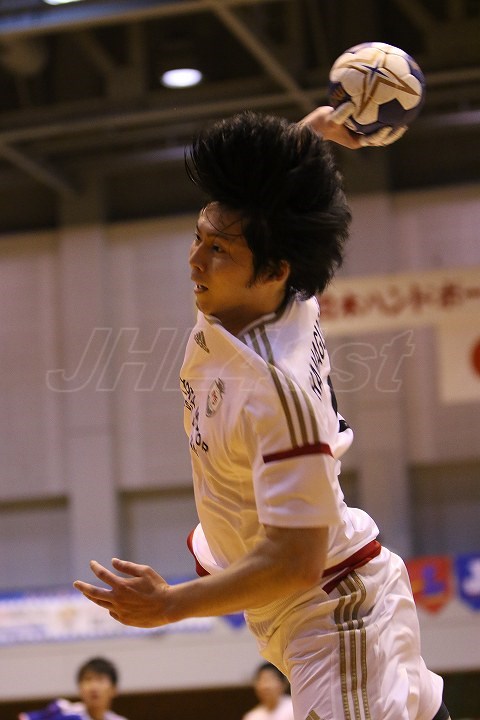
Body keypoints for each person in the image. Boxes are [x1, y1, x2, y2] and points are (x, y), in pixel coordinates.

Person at [73, 104, 451, 720]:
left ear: (273, 271)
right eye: (198, 237)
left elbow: (294, 562)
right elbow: (264, 202)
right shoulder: (260, 294)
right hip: (296, 606)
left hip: (330, 609)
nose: (195, 261)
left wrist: (170, 605)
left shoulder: (277, 392)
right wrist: (310, 136)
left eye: (218, 249)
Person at [18, 657, 128, 720]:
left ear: (114, 689)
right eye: (88, 679)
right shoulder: (62, 711)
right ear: (79, 688)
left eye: (100, 680)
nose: (93, 687)